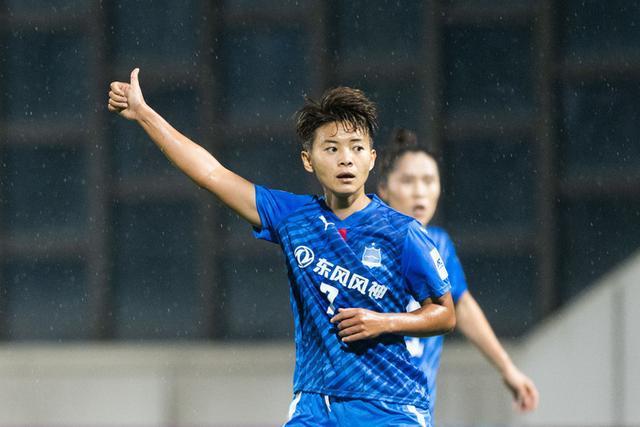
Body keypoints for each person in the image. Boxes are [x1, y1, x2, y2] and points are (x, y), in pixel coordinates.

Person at [108, 69, 456, 426]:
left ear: (371, 158)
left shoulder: (402, 232)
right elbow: (211, 173)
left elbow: (445, 314)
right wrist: (144, 114)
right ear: (308, 160)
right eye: (331, 148)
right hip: (315, 405)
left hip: (389, 404)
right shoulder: (293, 217)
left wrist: (383, 322)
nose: (346, 159)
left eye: (356, 148)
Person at [377, 129, 539, 414]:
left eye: (429, 181)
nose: (419, 191)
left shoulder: (438, 245)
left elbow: (461, 306)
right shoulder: (363, 242)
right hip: (364, 403)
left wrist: (507, 368)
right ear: (384, 188)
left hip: (414, 409)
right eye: (407, 181)